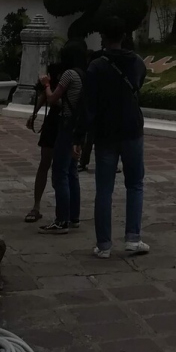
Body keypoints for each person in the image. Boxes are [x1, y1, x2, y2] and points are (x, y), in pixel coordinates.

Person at [75, 15, 148, 259]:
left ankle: (104, 244)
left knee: (104, 189)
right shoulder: (137, 62)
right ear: (124, 36)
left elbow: (88, 104)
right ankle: (133, 238)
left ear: (103, 37)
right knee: (135, 184)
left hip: (105, 132)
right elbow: (138, 84)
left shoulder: (96, 66)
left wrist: (79, 136)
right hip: (132, 129)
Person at [38, 41, 87, 235]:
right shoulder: (84, 74)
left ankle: (61, 220)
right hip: (79, 125)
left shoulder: (69, 74)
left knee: (60, 172)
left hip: (66, 124)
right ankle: (74, 217)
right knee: (72, 171)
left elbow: (52, 98)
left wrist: (46, 84)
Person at [25, 59, 63, 223]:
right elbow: (45, 96)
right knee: (44, 163)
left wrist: (48, 88)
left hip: (64, 122)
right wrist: (34, 113)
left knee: (61, 168)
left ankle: (63, 208)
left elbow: (55, 100)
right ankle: (36, 205)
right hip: (52, 122)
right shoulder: (56, 70)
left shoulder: (73, 74)